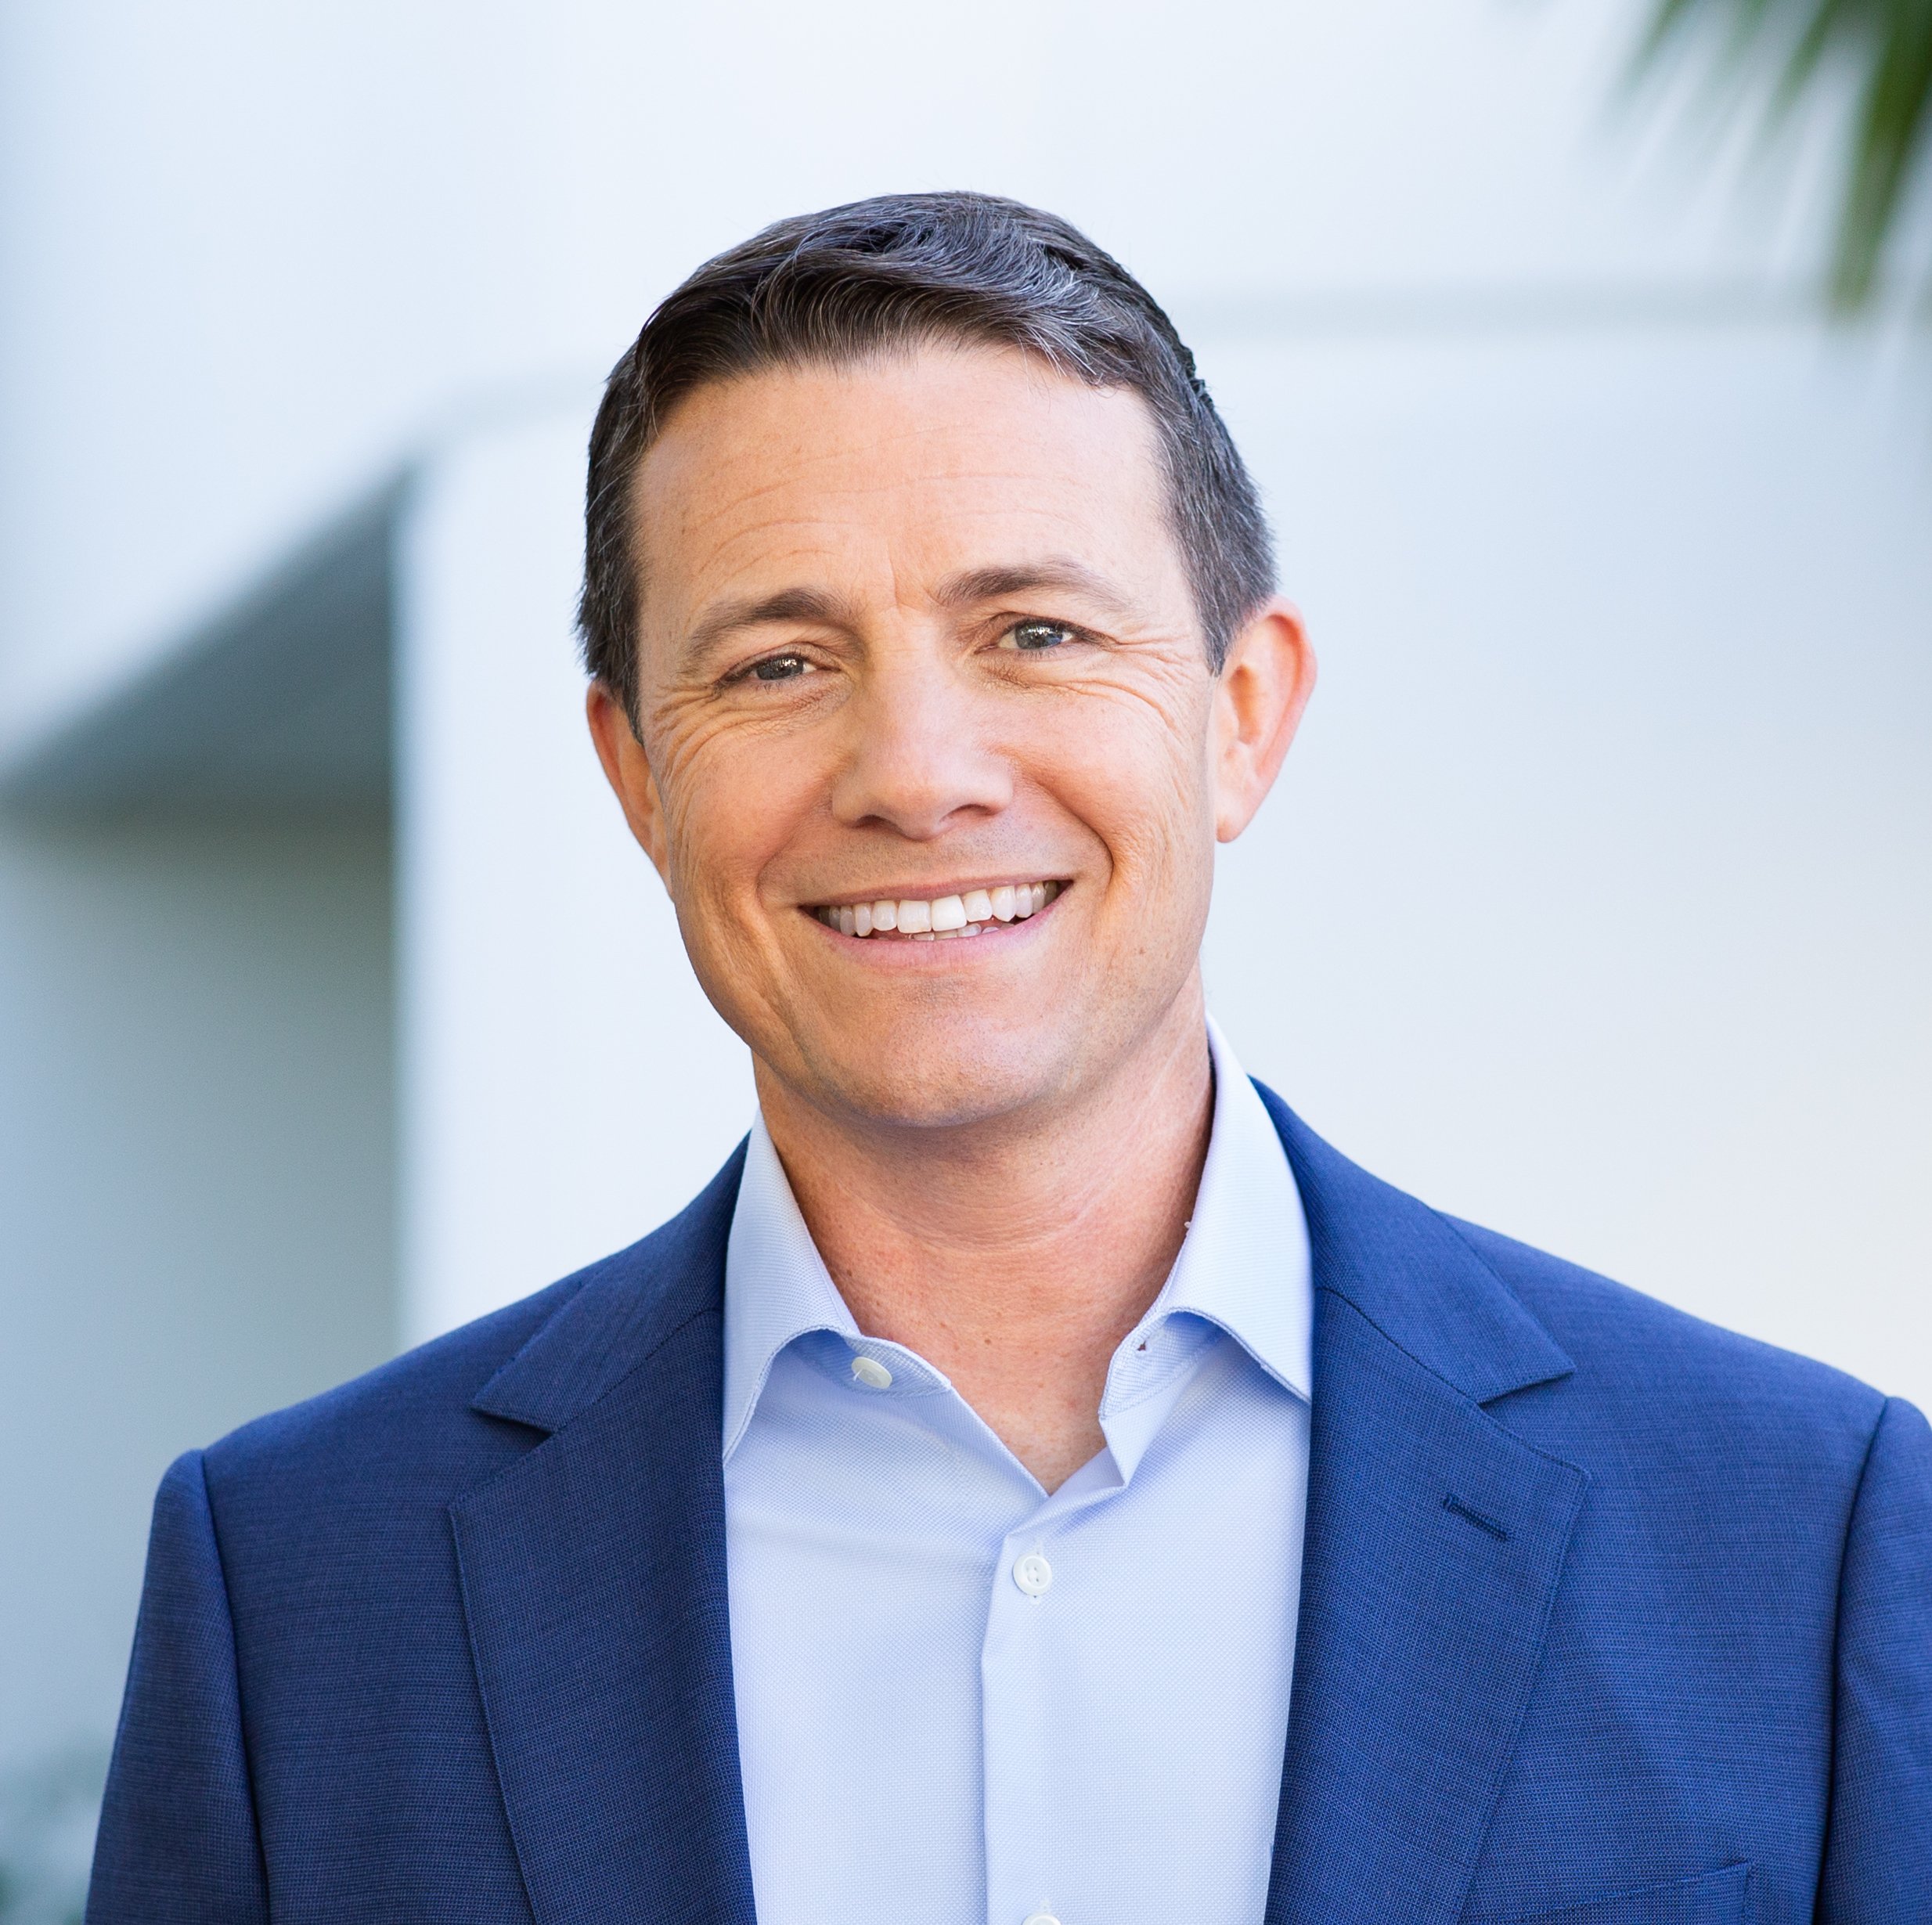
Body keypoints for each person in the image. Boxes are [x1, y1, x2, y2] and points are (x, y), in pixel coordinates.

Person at [88, 193, 1928, 1925]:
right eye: (778, 665)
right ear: (638, 777)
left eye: (1032, 632)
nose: (915, 769)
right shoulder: (303, 1588)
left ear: (1242, 716)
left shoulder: (1795, 1533)